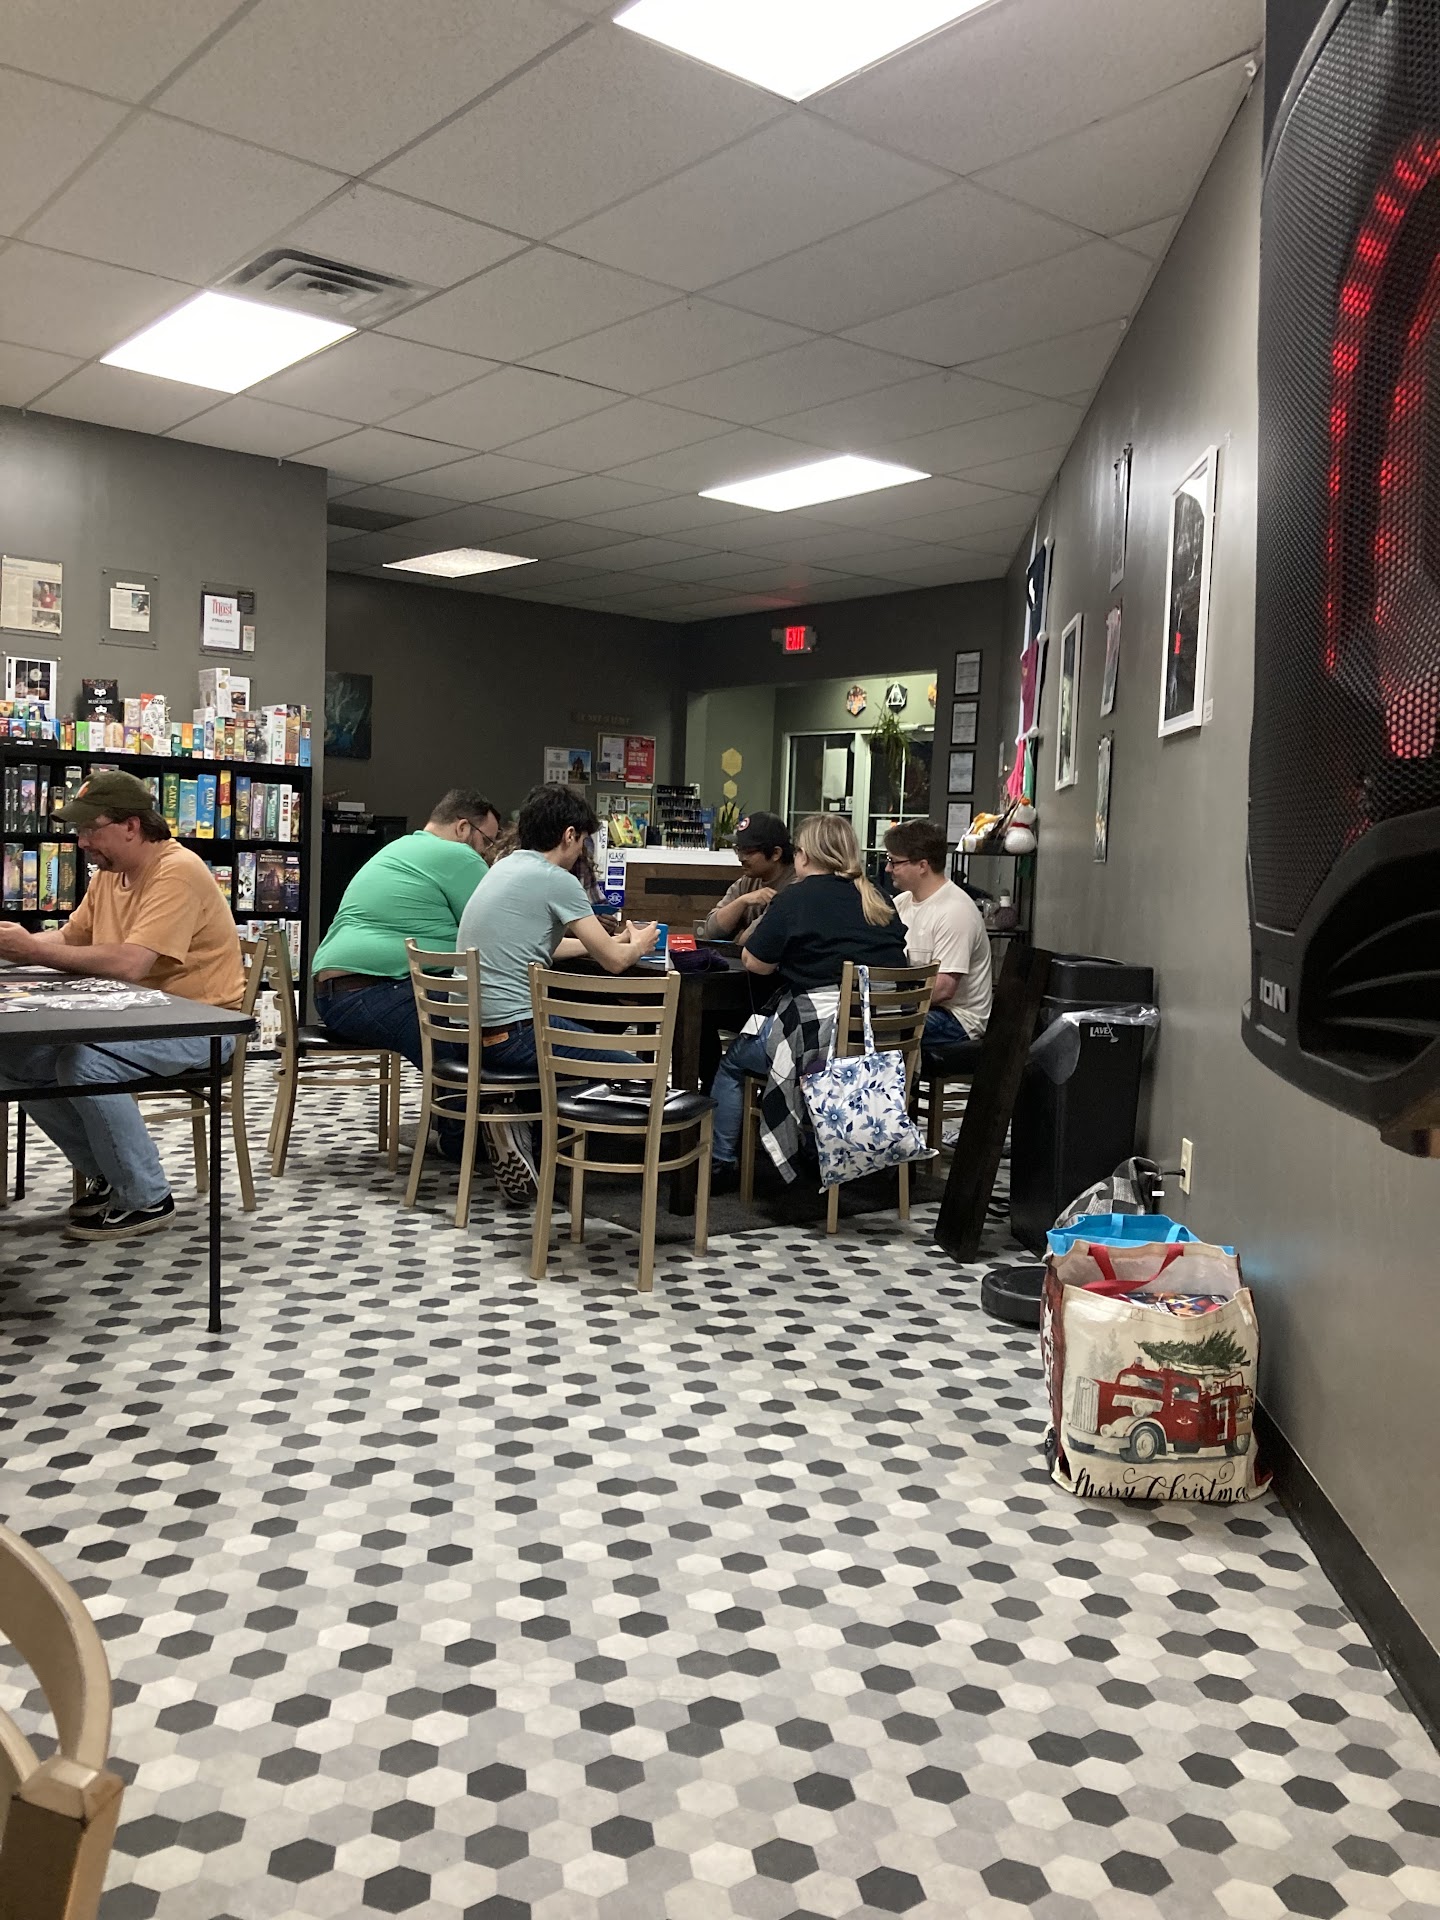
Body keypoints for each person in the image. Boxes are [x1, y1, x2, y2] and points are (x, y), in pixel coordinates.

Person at [0, 770, 244, 1242]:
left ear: (131, 826)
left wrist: (30, 951)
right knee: (12, 1058)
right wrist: (18, 949)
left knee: (85, 1064)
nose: (82, 842)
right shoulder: (110, 876)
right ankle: (109, 1174)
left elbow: (131, 963)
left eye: (91, 829)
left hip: (200, 1025)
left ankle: (147, 1196)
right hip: (132, 1019)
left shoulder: (178, 870)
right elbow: (71, 938)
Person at [455, 784, 658, 1199]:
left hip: (473, 1030)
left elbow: (536, 944)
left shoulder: (505, 866)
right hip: (516, 1033)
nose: (581, 850)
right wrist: (639, 943)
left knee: (577, 1038)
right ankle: (618, 1164)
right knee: (632, 1068)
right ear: (569, 835)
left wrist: (600, 943)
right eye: (582, 841)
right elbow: (615, 964)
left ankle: (522, 1128)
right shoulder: (557, 880)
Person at [708, 812, 908, 1179]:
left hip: (821, 1046)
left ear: (804, 855)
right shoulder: (879, 898)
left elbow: (754, 962)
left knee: (734, 1061)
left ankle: (721, 1163)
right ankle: (822, 1148)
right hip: (883, 1043)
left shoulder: (797, 897)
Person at [312, 788, 500, 1067]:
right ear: (463, 828)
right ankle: (470, 1096)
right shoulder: (458, 854)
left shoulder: (400, 847)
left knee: (473, 1013)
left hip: (334, 996)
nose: (486, 852)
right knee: (493, 1022)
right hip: (371, 992)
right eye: (487, 841)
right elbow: (500, 933)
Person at [884, 819, 992, 1061]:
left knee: (876, 1030)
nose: (888, 868)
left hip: (957, 1019)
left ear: (922, 866)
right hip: (922, 1006)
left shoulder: (955, 911)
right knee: (852, 1023)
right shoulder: (901, 903)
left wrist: (889, 1004)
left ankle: (897, 1086)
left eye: (894, 861)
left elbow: (943, 989)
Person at [696, 811, 795, 945]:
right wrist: (742, 901)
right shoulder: (748, 881)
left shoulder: (796, 886)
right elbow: (710, 931)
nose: (741, 858)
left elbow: (751, 941)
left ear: (776, 853)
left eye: (748, 851)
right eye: (738, 849)